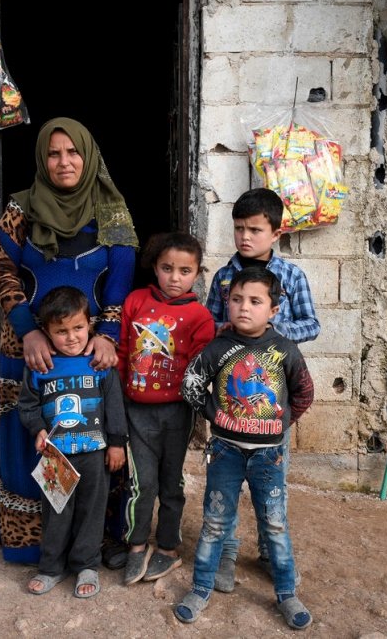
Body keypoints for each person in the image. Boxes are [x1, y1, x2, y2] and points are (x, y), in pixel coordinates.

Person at [0, 117, 138, 567]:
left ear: (88, 156)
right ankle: (32, 545)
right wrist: (28, 329)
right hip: (27, 348)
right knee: (30, 439)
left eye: (73, 152)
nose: (64, 161)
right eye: (54, 153)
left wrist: (108, 335)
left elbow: (122, 277)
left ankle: (90, 545)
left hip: (87, 346)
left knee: (92, 442)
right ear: (42, 158)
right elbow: (2, 271)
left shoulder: (111, 208)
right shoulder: (19, 208)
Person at [175, 266, 315, 629]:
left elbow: (304, 392)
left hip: (269, 455)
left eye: (255, 301)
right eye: (236, 300)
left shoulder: (285, 350)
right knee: (215, 522)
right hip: (226, 453)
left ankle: (287, 594)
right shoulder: (218, 348)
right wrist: (216, 415)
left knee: (275, 524)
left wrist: (281, 424)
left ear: (274, 310)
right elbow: (191, 384)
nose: (244, 308)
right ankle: (201, 588)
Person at [205, 187, 320, 591]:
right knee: (225, 479)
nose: (245, 237)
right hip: (231, 397)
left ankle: (271, 551)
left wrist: (271, 332)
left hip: (271, 402)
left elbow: (312, 324)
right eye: (238, 228)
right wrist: (223, 330)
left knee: (273, 478)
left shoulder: (291, 277)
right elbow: (208, 325)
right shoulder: (223, 278)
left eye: (255, 229)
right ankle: (226, 552)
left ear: (276, 232)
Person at [117, 233, 216, 585]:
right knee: (140, 484)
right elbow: (122, 354)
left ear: (196, 273)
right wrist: (119, 400)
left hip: (177, 413)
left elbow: (203, 367)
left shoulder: (199, 316)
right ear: (155, 268)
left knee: (171, 484)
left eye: (185, 270)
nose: (175, 277)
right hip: (136, 411)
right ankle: (136, 545)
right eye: (167, 268)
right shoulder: (135, 301)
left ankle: (169, 547)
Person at [18, 286, 128, 597]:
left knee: (92, 512)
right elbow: (27, 405)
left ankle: (86, 565)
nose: (71, 337)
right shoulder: (41, 366)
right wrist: (37, 428)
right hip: (56, 457)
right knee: (56, 512)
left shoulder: (98, 363)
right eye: (61, 331)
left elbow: (114, 406)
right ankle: (51, 566)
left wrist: (117, 443)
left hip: (94, 453)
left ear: (89, 324)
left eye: (78, 328)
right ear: (47, 332)